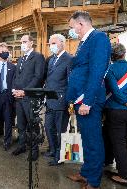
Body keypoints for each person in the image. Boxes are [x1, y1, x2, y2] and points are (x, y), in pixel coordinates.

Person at [66, 11, 111, 189]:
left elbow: (97, 72)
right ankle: (86, 172)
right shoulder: (84, 42)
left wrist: (88, 101)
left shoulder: (98, 39)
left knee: (93, 141)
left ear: (81, 24)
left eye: (71, 27)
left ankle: (93, 181)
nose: (71, 30)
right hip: (81, 98)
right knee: (86, 139)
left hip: (88, 100)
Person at [12, 35, 45, 161]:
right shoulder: (20, 59)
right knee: (20, 124)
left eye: (25, 41)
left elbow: (38, 77)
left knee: (32, 124)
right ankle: (22, 145)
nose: (22, 44)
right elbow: (16, 76)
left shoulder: (38, 57)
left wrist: (24, 91)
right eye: (21, 42)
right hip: (18, 97)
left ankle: (34, 150)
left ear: (31, 42)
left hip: (30, 97)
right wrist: (14, 89)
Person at [103, 43, 127, 187]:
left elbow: (115, 91)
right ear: (124, 54)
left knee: (118, 143)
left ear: (112, 56)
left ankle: (124, 175)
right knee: (120, 139)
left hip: (116, 111)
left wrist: (126, 103)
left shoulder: (110, 69)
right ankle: (108, 160)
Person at [44, 34, 72, 166]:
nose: (51, 46)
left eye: (54, 43)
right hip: (49, 100)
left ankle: (60, 156)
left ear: (62, 43)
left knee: (60, 131)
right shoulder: (51, 59)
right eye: (50, 44)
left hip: (61, 101)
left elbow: (71, 82)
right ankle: (53, 150)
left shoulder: (69, 59)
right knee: (48, 127)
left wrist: (69, 101)